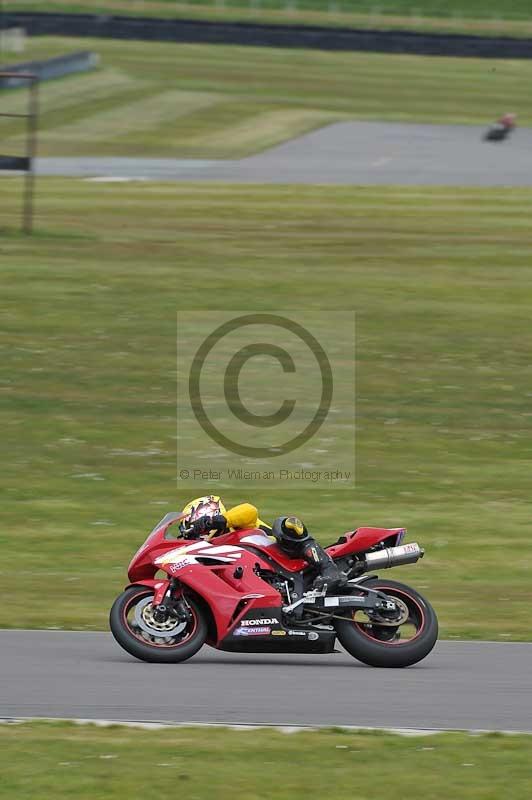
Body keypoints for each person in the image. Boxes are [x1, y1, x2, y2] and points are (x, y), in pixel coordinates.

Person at [179, 495, 345, 591]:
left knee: (285, 524)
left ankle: (329, 569)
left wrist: (216, 521)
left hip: (288, 559)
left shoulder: (235, 523)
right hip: (274, 583)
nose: (192, 534)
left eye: (192, 527)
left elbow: (250, 510)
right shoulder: (214, 549)